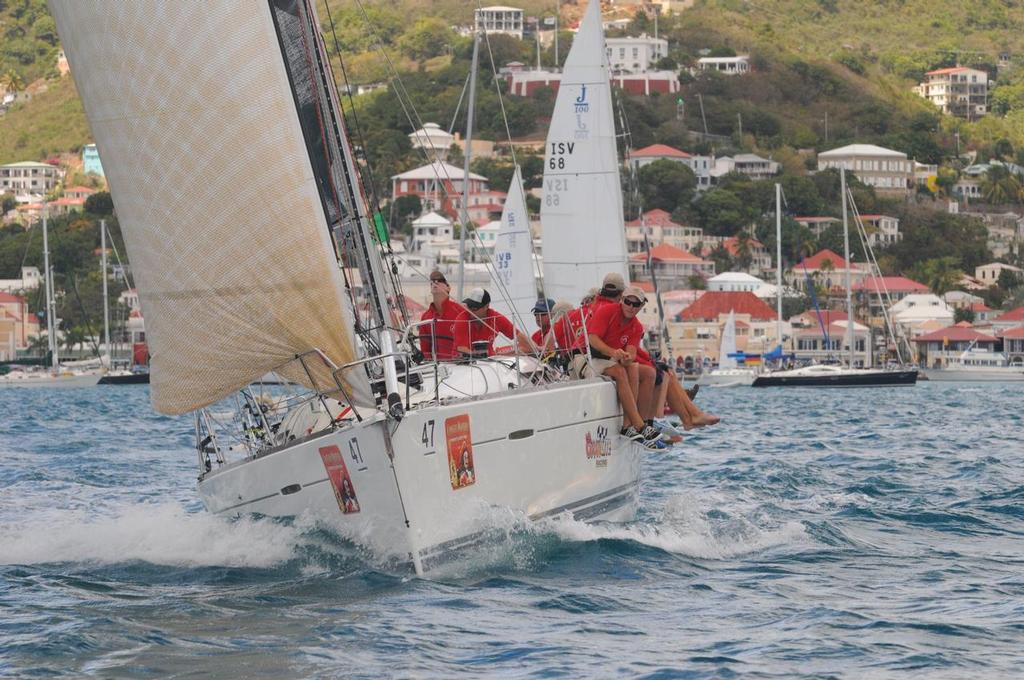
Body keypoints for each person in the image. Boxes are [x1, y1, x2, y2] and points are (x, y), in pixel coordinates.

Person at [581, 285, 664, 448]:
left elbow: (632, 352)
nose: (631, 307)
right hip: (589, 357)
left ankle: (632, 425)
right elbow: (592, 339)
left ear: (641, 306)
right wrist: (614, 353)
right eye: (628, 302)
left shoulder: (637, 326)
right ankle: (640, 425)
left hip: (611, 360)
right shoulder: (607, 311)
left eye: (636, 304)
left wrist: (627, 358)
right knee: (621, 371)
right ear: (621, 300)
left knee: (647, 372)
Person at [453, 288, 536, 357]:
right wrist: (482, 356)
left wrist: (538, 349)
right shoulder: (461, 319)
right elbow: (462, 349)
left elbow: (517, 335)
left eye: (474, 308)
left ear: (486, 307)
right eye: (468, 306)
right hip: (464, 363)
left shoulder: (495, 317)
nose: (470, 311)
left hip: (490, 361)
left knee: (526, 349)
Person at [419, 270, 463, 361]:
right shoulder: (425, 317)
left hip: (461, 365)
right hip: (439, 369)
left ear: (448, 288)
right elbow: (425, 350)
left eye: (440, 280)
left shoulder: (460, 311)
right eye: (432, 282)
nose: (435, 282)